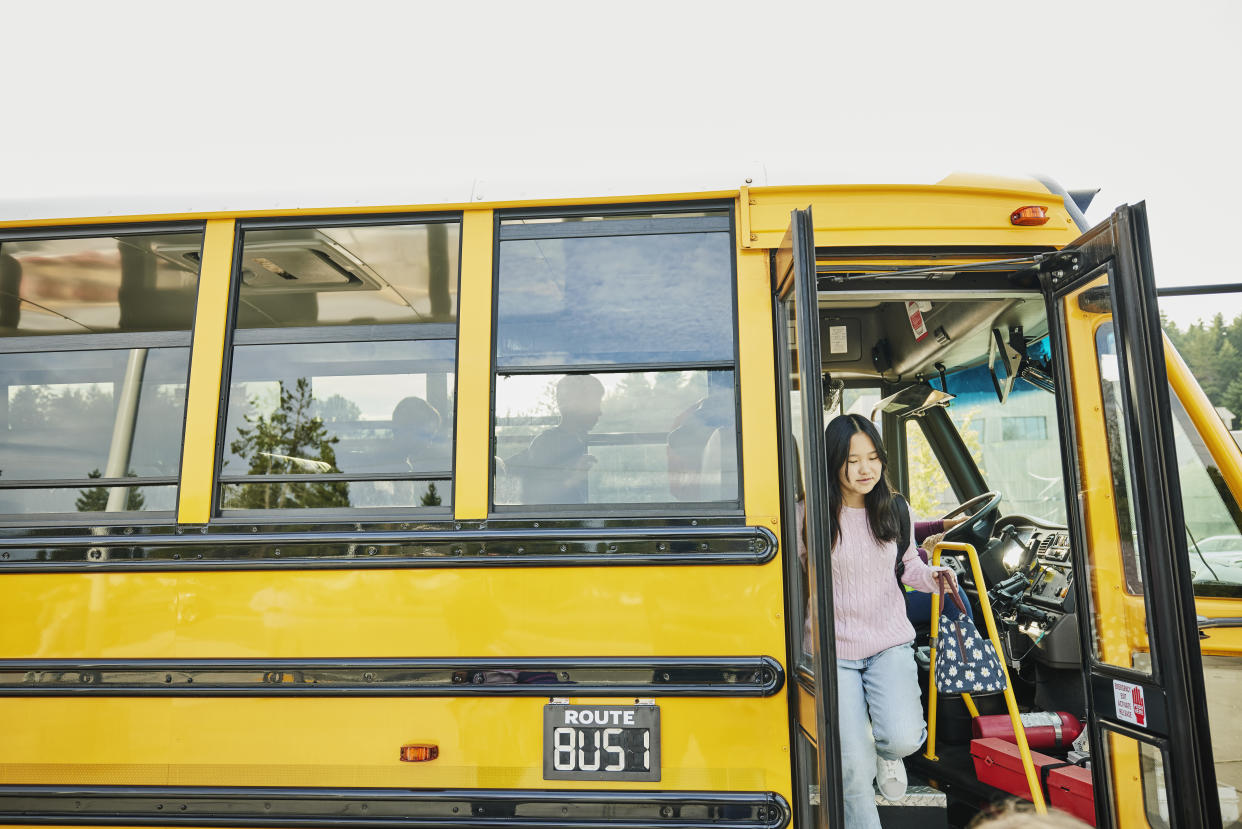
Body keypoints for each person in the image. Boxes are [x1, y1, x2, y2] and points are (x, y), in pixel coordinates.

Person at [823, 413, 958, 829]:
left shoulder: (894, 508)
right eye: (852, 460)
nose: (865, 469)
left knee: (901, 738)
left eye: (873, 458)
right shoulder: (808, 514)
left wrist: (932, 576)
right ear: (833, 463)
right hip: (834, 651)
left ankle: (886, 754)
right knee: (850, 767)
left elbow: (907, 566)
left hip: (887, 643)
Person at [511, 374, 605, 504]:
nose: (600, 412)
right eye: (595, 403)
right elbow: (531, 498)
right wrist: (574, 478)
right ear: (575, 406)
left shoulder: (580, 440)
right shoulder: (546, 443)